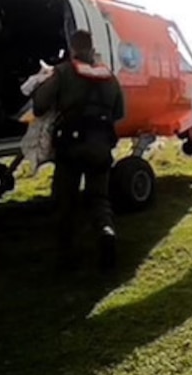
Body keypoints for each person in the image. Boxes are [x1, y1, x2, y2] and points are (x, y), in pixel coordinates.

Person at [33, 30, 125, 270]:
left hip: (71, 147)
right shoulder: (108, 76)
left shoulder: (63, 72)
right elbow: (119, 112)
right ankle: (106, 233)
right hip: (101, 145)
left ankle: (66, 256)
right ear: (92, 48)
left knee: (65, 201)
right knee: (99, 199)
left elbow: (40, 106)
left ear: (72, 48)